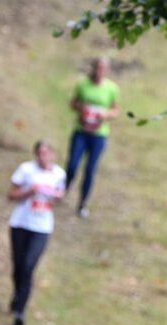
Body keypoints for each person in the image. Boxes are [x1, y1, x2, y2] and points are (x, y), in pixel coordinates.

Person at [7, 140, 66, 325]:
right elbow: (11, 194)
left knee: (28, 266)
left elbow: (60, 195)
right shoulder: (26, 170)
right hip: (20, 223)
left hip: (41, 227)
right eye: (40, 153)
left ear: (53, 155)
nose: (43, 157)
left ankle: (20, 312)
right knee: (18, 267)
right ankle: (17, 295)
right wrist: (28, 191)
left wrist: (56, 196)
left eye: (46, 153)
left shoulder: (59, 174)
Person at [65, 57, 120, 218]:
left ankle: (82, 203)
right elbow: (73, 103)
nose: (99, 71)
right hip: (81, 130)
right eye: (97, 68)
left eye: (103, 69)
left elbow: (115, 110)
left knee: (90, 169)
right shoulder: (83, 84)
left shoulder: (112, 88)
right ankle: (65, 187)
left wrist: (104, 114)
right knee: (72, 164)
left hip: (99, 134)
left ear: (107, 71)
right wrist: (82, 108)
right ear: (93, 68)